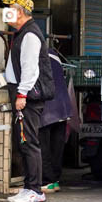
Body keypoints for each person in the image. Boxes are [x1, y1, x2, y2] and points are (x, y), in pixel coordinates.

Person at [3, 0, 54, 202]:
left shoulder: (30, 35)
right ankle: (28, 187)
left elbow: (30, 68)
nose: (7, 13)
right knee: (24, 141)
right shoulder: (23, 33)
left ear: (20, 12)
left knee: (29, 141)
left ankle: (35, 190)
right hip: (24, 94)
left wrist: (22, 94)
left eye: (11, 9)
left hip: (29, 96)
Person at [39, 51, 73, 193]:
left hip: (47, 106)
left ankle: (47, 181)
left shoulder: (34, 54)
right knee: (57, 146)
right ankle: (55, 181)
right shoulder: (54, 54)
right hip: (62, 106)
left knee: (43, 146)